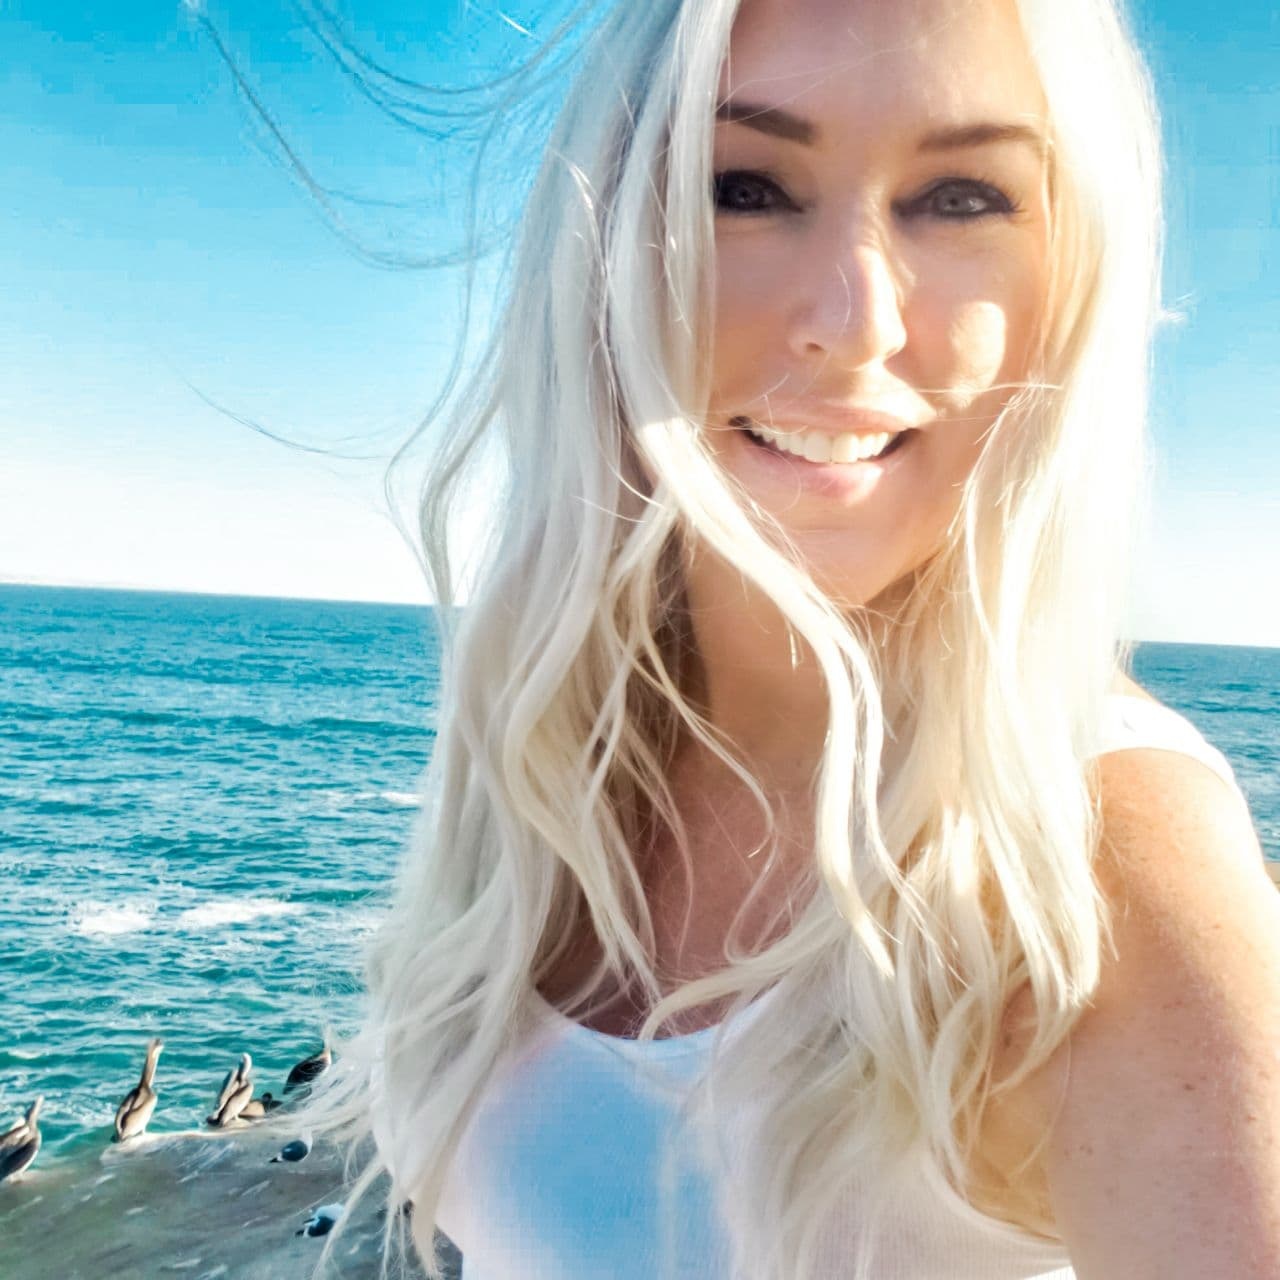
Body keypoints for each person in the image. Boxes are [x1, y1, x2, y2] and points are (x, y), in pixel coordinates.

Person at [306, 0, 1280, 1276]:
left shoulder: (1098, 861)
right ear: (603, 247)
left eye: (960, 200)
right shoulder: (564, 748)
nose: (854, 318)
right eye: (745, 187)